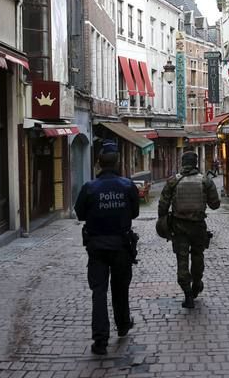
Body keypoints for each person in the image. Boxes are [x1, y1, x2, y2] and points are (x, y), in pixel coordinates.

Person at [74, 140, 140, 355]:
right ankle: (122, 325)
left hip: (97, 247)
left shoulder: (89, 188)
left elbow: (80, 214)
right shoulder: (127, 185)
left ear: (99, 163)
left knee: (99, 293)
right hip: (121, 245)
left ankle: (100, 340)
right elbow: (135, 213)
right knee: (120, 289)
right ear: (117, 162)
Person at [158, 149, 221, 308]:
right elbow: (215, 205)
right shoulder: (205, 181)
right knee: (198, 256)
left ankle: (187, 293)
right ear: (196, 163)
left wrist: (164, 223)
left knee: (182, 259)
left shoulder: (173, 181)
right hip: (198, 227)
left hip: (179, 228)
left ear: (182, 163)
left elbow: (162, 206)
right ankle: (197, 283)